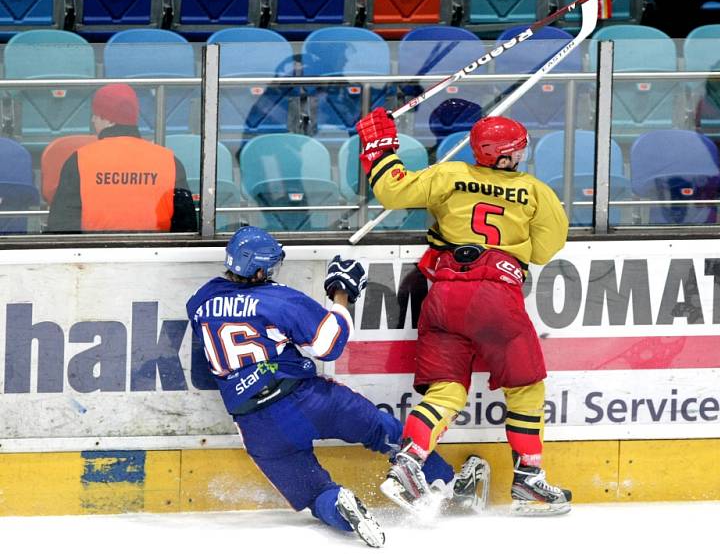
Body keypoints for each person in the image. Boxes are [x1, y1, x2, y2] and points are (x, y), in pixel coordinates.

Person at [186, 226, 488, 548]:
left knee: (316, 494)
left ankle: (341, 502)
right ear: (259, 269)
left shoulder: (200, 301)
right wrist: (341, 296)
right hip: (308, 400)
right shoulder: (280, 300)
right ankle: (450, 483)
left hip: (256, 425)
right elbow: (328, 345)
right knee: (381, 431)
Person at [355, 108, 571, 516]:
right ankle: (528, 481)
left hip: (443, 293)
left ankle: (407, 464)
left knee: (447, 390)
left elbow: (392, 193)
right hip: (495, 297)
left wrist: (379, 149)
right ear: (505, 156)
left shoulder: (449, 174)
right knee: (525, 387)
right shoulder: (534, 190)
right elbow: (545, 250)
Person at [47, 83, 197, 233]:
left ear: (108, 119)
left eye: (96, 115)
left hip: (95, 253)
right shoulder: (169, 161)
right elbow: (187, 227)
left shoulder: (79, 160)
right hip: (156, 253)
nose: (93, 120)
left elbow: (61, 227)